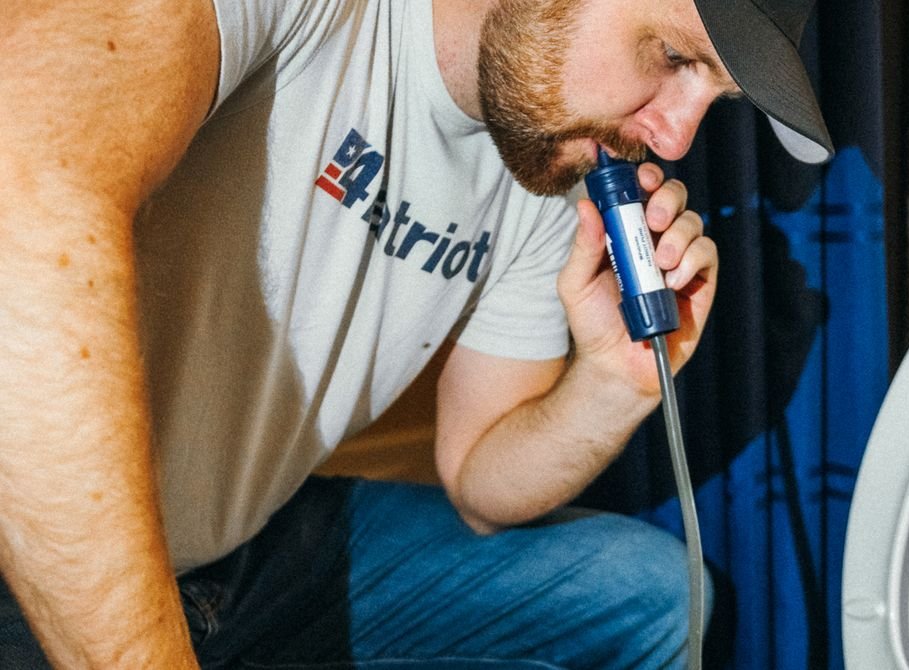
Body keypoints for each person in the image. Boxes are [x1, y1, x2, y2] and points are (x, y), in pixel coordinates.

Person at [0, 0, 832, 666]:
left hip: (236, 551)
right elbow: (21, 196)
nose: (676, 137)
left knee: (652, 596)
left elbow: (478, 481)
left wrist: (612, 383)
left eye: (713, 100)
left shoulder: (549, 175)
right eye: (675, 58)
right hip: (35, 554)